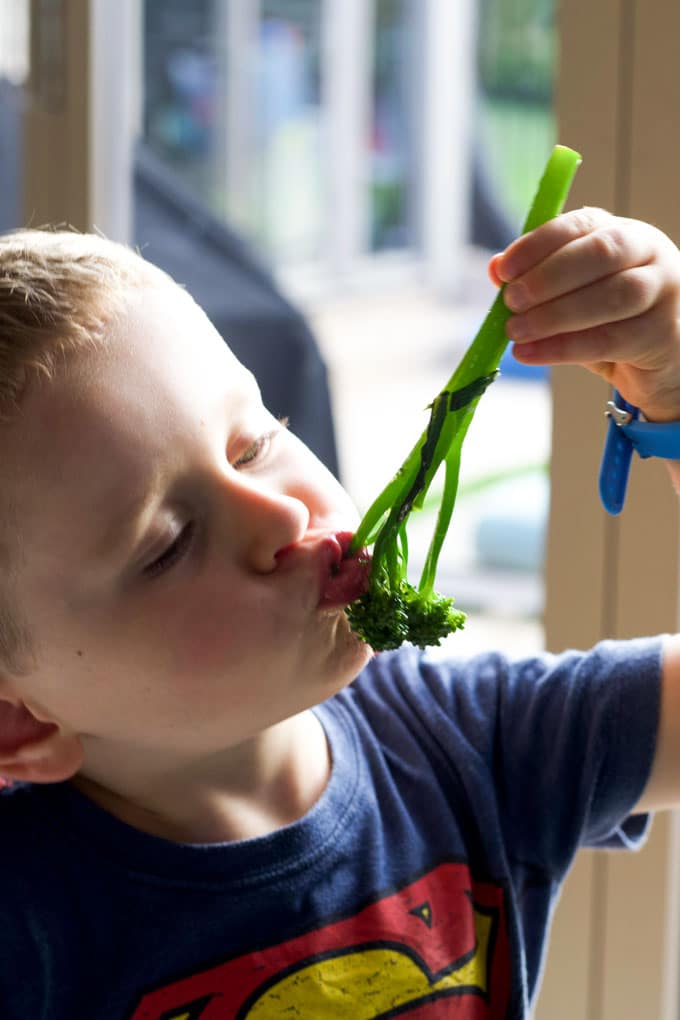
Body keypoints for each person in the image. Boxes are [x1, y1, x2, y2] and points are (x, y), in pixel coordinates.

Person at [0, 208, 679, 1019]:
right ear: (17, 723)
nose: (282, 513)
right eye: (170, 543)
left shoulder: (477, 742)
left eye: (254, 443)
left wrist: (672, 388)